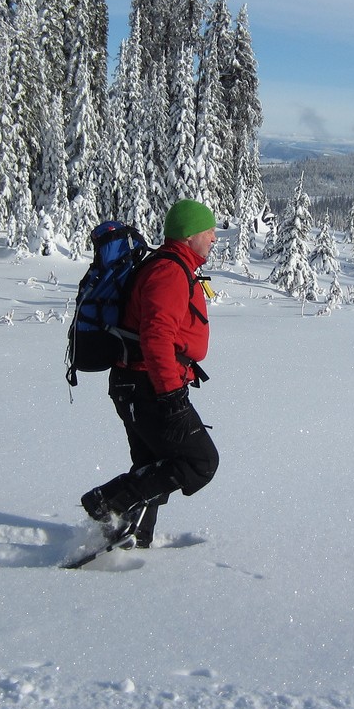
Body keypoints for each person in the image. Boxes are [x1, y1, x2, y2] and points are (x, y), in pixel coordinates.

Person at [81, 200, 221, 547]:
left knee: (153, 466)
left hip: (138, 385)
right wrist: (171, 396)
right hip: (149, 387)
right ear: (189, 236)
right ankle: (107, 502)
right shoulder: (169, 273)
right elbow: (156, 337)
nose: (215, 238)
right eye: (209, 231)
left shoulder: (174, 266)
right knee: (199, 461)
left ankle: (134, 537)